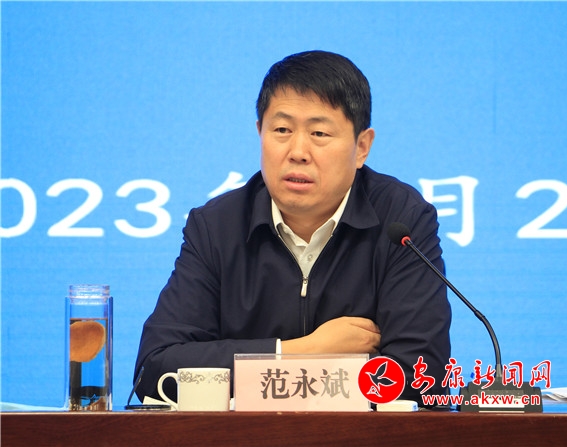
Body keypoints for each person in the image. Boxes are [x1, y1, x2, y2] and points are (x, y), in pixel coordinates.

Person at [134, 50, 451, 406]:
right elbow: (155, 370)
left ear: (362, 147)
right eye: (282, 130)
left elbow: (421, 376)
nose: (298, 151)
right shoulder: (216, 227)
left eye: (319, 133)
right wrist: (302, 351)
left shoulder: (402, 220)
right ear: (260, 132)